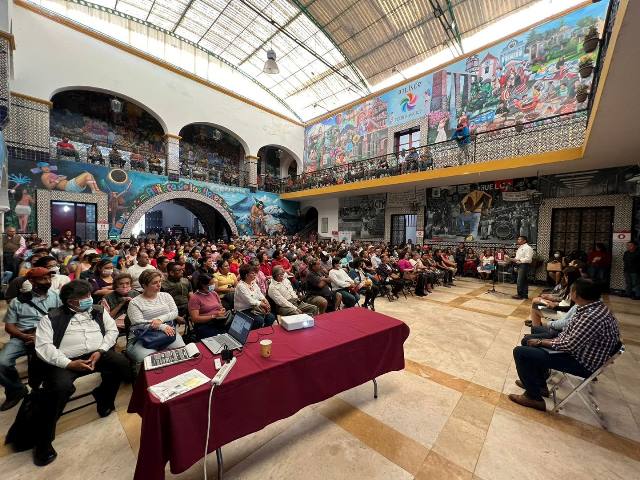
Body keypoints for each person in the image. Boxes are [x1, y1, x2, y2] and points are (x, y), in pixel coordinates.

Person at [30, 280, 128, 466]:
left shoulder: (98, 310)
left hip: (97, 353)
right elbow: (44, 347)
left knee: (121, 364)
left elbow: (112, 330)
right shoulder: (51, 318)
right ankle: (43, 441)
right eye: (83, 298)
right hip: (65, 360)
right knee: (59, 388)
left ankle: (104, 397)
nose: (89, 299)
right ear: (70, 301)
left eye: (89, 295)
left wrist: (101, 350)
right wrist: (69, 363)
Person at [509, 278, 620, 411]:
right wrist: (547, 340)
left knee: (520, 352)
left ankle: (533, 397)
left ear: (576, 294)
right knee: (528, 341)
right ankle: (539, 385)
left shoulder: (591, 317)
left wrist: (541, 342)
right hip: (577, 351)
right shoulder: (596, 307)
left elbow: (568, 345)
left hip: (580, 362)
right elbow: (570, 336)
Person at [0, 268, 62, 411]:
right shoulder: (17, 301)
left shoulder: (56, 296)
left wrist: (44, 336)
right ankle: (16, 390)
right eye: (43, 279)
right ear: (32, 281)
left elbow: (63, 319)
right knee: (2, 362)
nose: (47, 281)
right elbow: (9, 326)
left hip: (49, 336)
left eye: (49, 278)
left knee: (49, 361)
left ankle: (50, 390)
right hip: (24, 336)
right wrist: (24, 336)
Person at [126, 270, 185, 364]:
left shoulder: (166, 296)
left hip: (167, 332)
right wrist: (161, 326)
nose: (159, 285)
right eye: (154, 283)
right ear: (144, 285)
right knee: (151, 361)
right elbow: (138, 323)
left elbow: (174, 312)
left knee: (181, 352)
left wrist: (160, 320)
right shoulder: (134, 303)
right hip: (142, 336)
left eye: (159, 281)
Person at [234, 264, 275, 328]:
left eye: (254, 273)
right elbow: (250, 301)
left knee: (271, 317)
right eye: (252, 273)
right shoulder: (240, 286)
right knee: (259, 320)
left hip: (254, 307)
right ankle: (254, 332)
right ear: (246, 275)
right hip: (243, 310)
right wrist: (262, 304)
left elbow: (259, 293)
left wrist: (265, 300)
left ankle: (264, 331)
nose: (255, 274)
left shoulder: (253, 282)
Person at [188, 274, 228, 339]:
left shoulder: (213, 293)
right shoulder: (195, 298)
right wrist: (214, 316)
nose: (213, 285)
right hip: (205, 325)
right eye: (211, 284)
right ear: (203, 285)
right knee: (218, 339)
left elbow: (220, 306)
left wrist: (222, 310)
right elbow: (195, 318)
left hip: (219, 321)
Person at [512, 235, 534, 300]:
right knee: (523, 280)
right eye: (518, 239)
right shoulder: (520, 247)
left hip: (524, 265)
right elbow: (517, 257)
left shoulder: (528, 248)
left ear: (524, 241)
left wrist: (519, 260)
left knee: (520, 280)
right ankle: (524, 295)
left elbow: (528, 259)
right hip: (519, 264)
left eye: (520, 239)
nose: (518, 240)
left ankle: (520, 295)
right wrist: (513, 260)